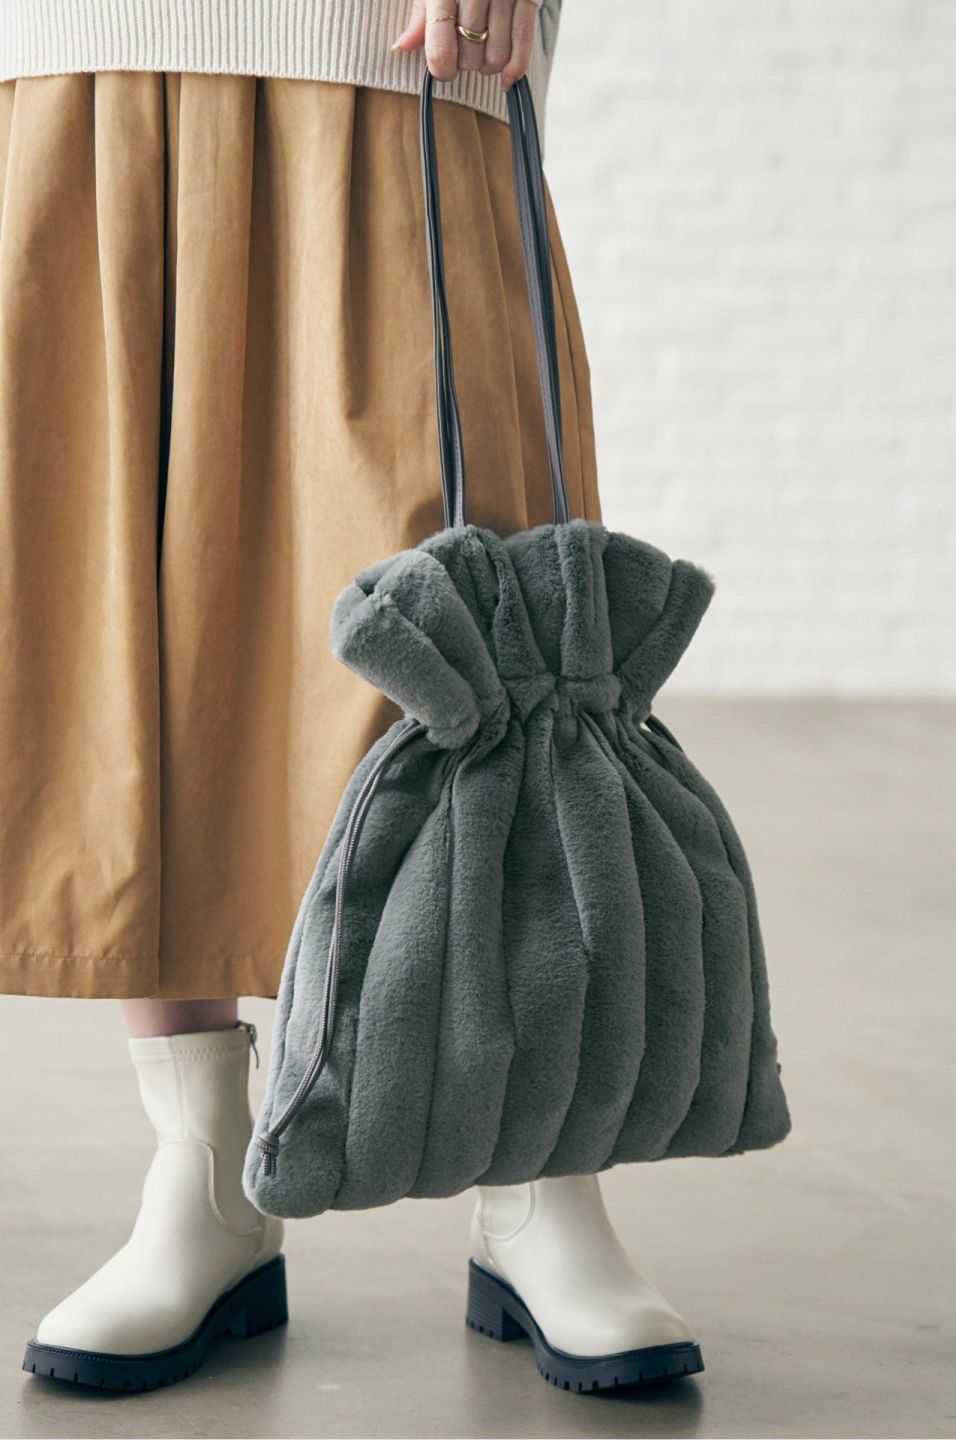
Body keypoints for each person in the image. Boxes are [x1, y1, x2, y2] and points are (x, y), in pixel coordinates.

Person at [1, 0, 701, 1394]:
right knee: (131, 617)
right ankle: (204, 1172)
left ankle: (538, 1179)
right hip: (79, 49)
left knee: (469, 617)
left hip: (384, 50)